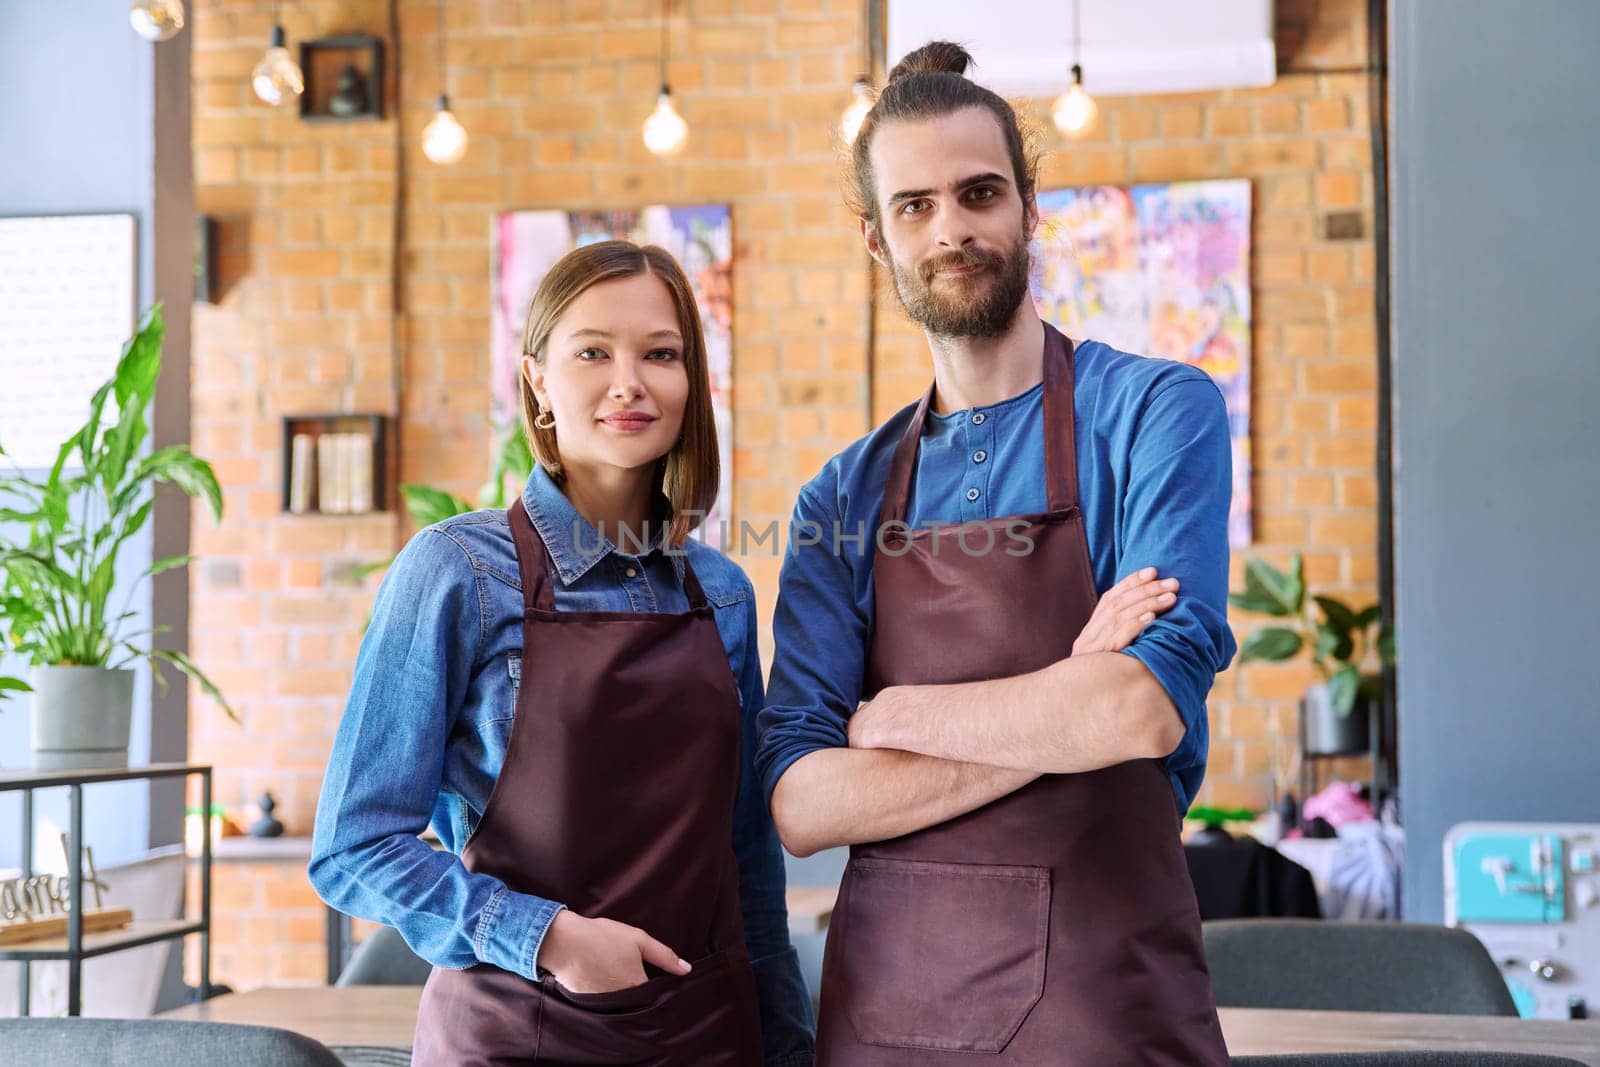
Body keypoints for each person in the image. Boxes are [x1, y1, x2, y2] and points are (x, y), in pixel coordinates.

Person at [756, 42, 1236, 1064]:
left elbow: (1137, 705)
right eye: (914, 206)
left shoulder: (1152, 412)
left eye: (979, 193)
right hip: (887, 1018)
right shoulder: (840, 495)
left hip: (1105, 1011)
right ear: (876, 242)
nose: (952, 229)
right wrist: (1065, 687)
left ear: (1028, 206)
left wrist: (891, 718)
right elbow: (801, 800)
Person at [311, 240, 814, 1066]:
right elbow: (354, 846)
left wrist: (787, 1047)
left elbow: (749, 871)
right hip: (517, 1035)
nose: (630, 382)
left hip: (708, 1039)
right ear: (539, 378)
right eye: (593, 352)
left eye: (661, 353)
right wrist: (548, 938)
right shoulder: (458, 571)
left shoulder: (721, 593)